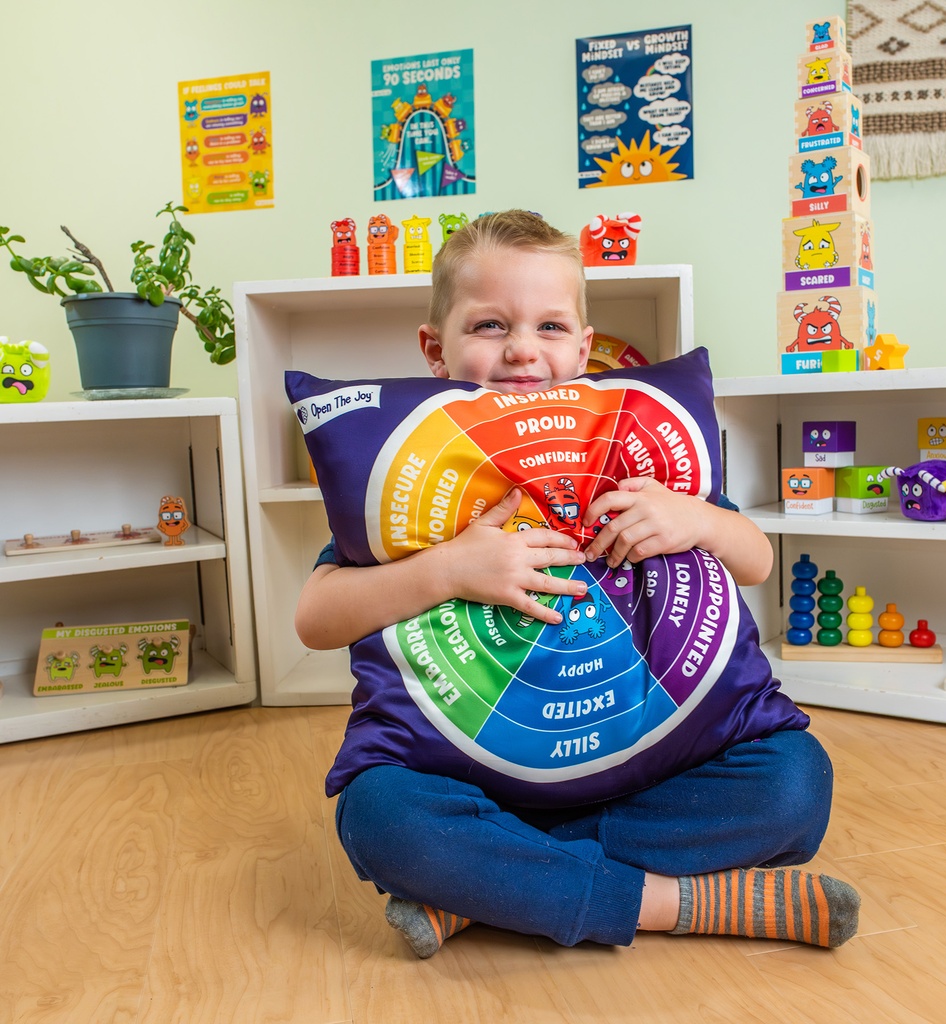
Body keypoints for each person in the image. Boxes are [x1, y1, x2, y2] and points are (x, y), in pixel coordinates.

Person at [295, 210, 859, 958]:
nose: (523, 350)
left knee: (795, 784)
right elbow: (316, 618)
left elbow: (755, 561)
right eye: (490, 325)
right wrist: (447, 567)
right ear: (435, 349)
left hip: (651, 768)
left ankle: (496, 885)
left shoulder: (635, 447)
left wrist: (695, 517)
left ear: (586, 349)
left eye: (552, 327)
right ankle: (678, 903)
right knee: (382, 818)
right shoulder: (414, 468)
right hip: (470, 775)